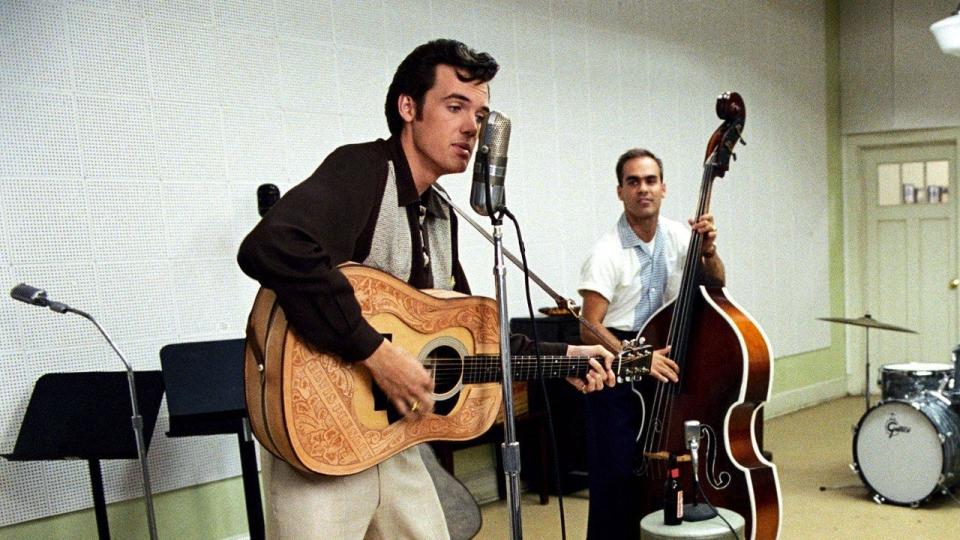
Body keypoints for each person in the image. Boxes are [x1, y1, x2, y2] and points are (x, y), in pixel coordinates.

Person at [237, 39, 616, 540]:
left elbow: (465, 333)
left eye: (480, 115)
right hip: (321, 439)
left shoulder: (440, 215)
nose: (471, 129)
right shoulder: (363, 170)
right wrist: (374, 352)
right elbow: (271, 244)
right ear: (408, 108)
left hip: (395, 443)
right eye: (455, 107)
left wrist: (563, 356)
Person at [577, 148, 725, 539]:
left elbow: (717, 284)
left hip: (667, 352)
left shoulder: (681, 236)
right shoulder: (605, 252)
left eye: (650, 180)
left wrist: (709, 251)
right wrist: (636, 358)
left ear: (663, 188)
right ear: (620, 192)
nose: (643, 189)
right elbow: (588, 327)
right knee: (618, 476)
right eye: (633, 181)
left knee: (669, 468)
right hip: (618, 365)